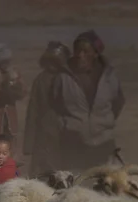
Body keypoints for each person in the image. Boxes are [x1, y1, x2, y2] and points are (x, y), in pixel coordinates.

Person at [51, 30, 125, 171]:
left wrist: (103, 121)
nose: (80, 55)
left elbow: (118, 102)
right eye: (77, 51)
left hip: (103, 142)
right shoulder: (63, 77)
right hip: (73, 141)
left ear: (96, 54)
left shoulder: (109, 77)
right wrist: (68, 124)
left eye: (85, 52)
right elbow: (55, 104)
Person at [23, 41, 71, 178]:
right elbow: (33, 111)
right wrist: (28, 144)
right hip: (45, 134)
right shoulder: (41, 80)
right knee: (43, 171)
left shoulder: (67, 80)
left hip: (61, 132)